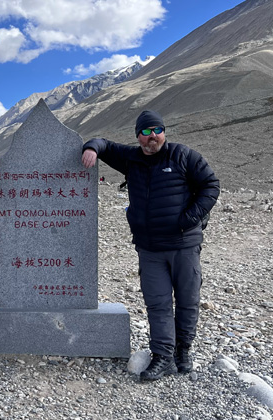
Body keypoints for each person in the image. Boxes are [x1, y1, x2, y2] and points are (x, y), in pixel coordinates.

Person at [81, 110, 220, 380]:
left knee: (188, 300)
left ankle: (183, 351)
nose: (151, 136)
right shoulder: (131, 159)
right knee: (157, 303)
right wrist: (91, 148)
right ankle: (164, 356)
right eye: (145, 132)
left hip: (184, 245)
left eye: (156, 130)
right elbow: (104, 143)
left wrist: (189, 218)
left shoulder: (182, 155)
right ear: (138, 137)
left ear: (164, 132)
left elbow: (210, 185)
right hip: (149, 248)